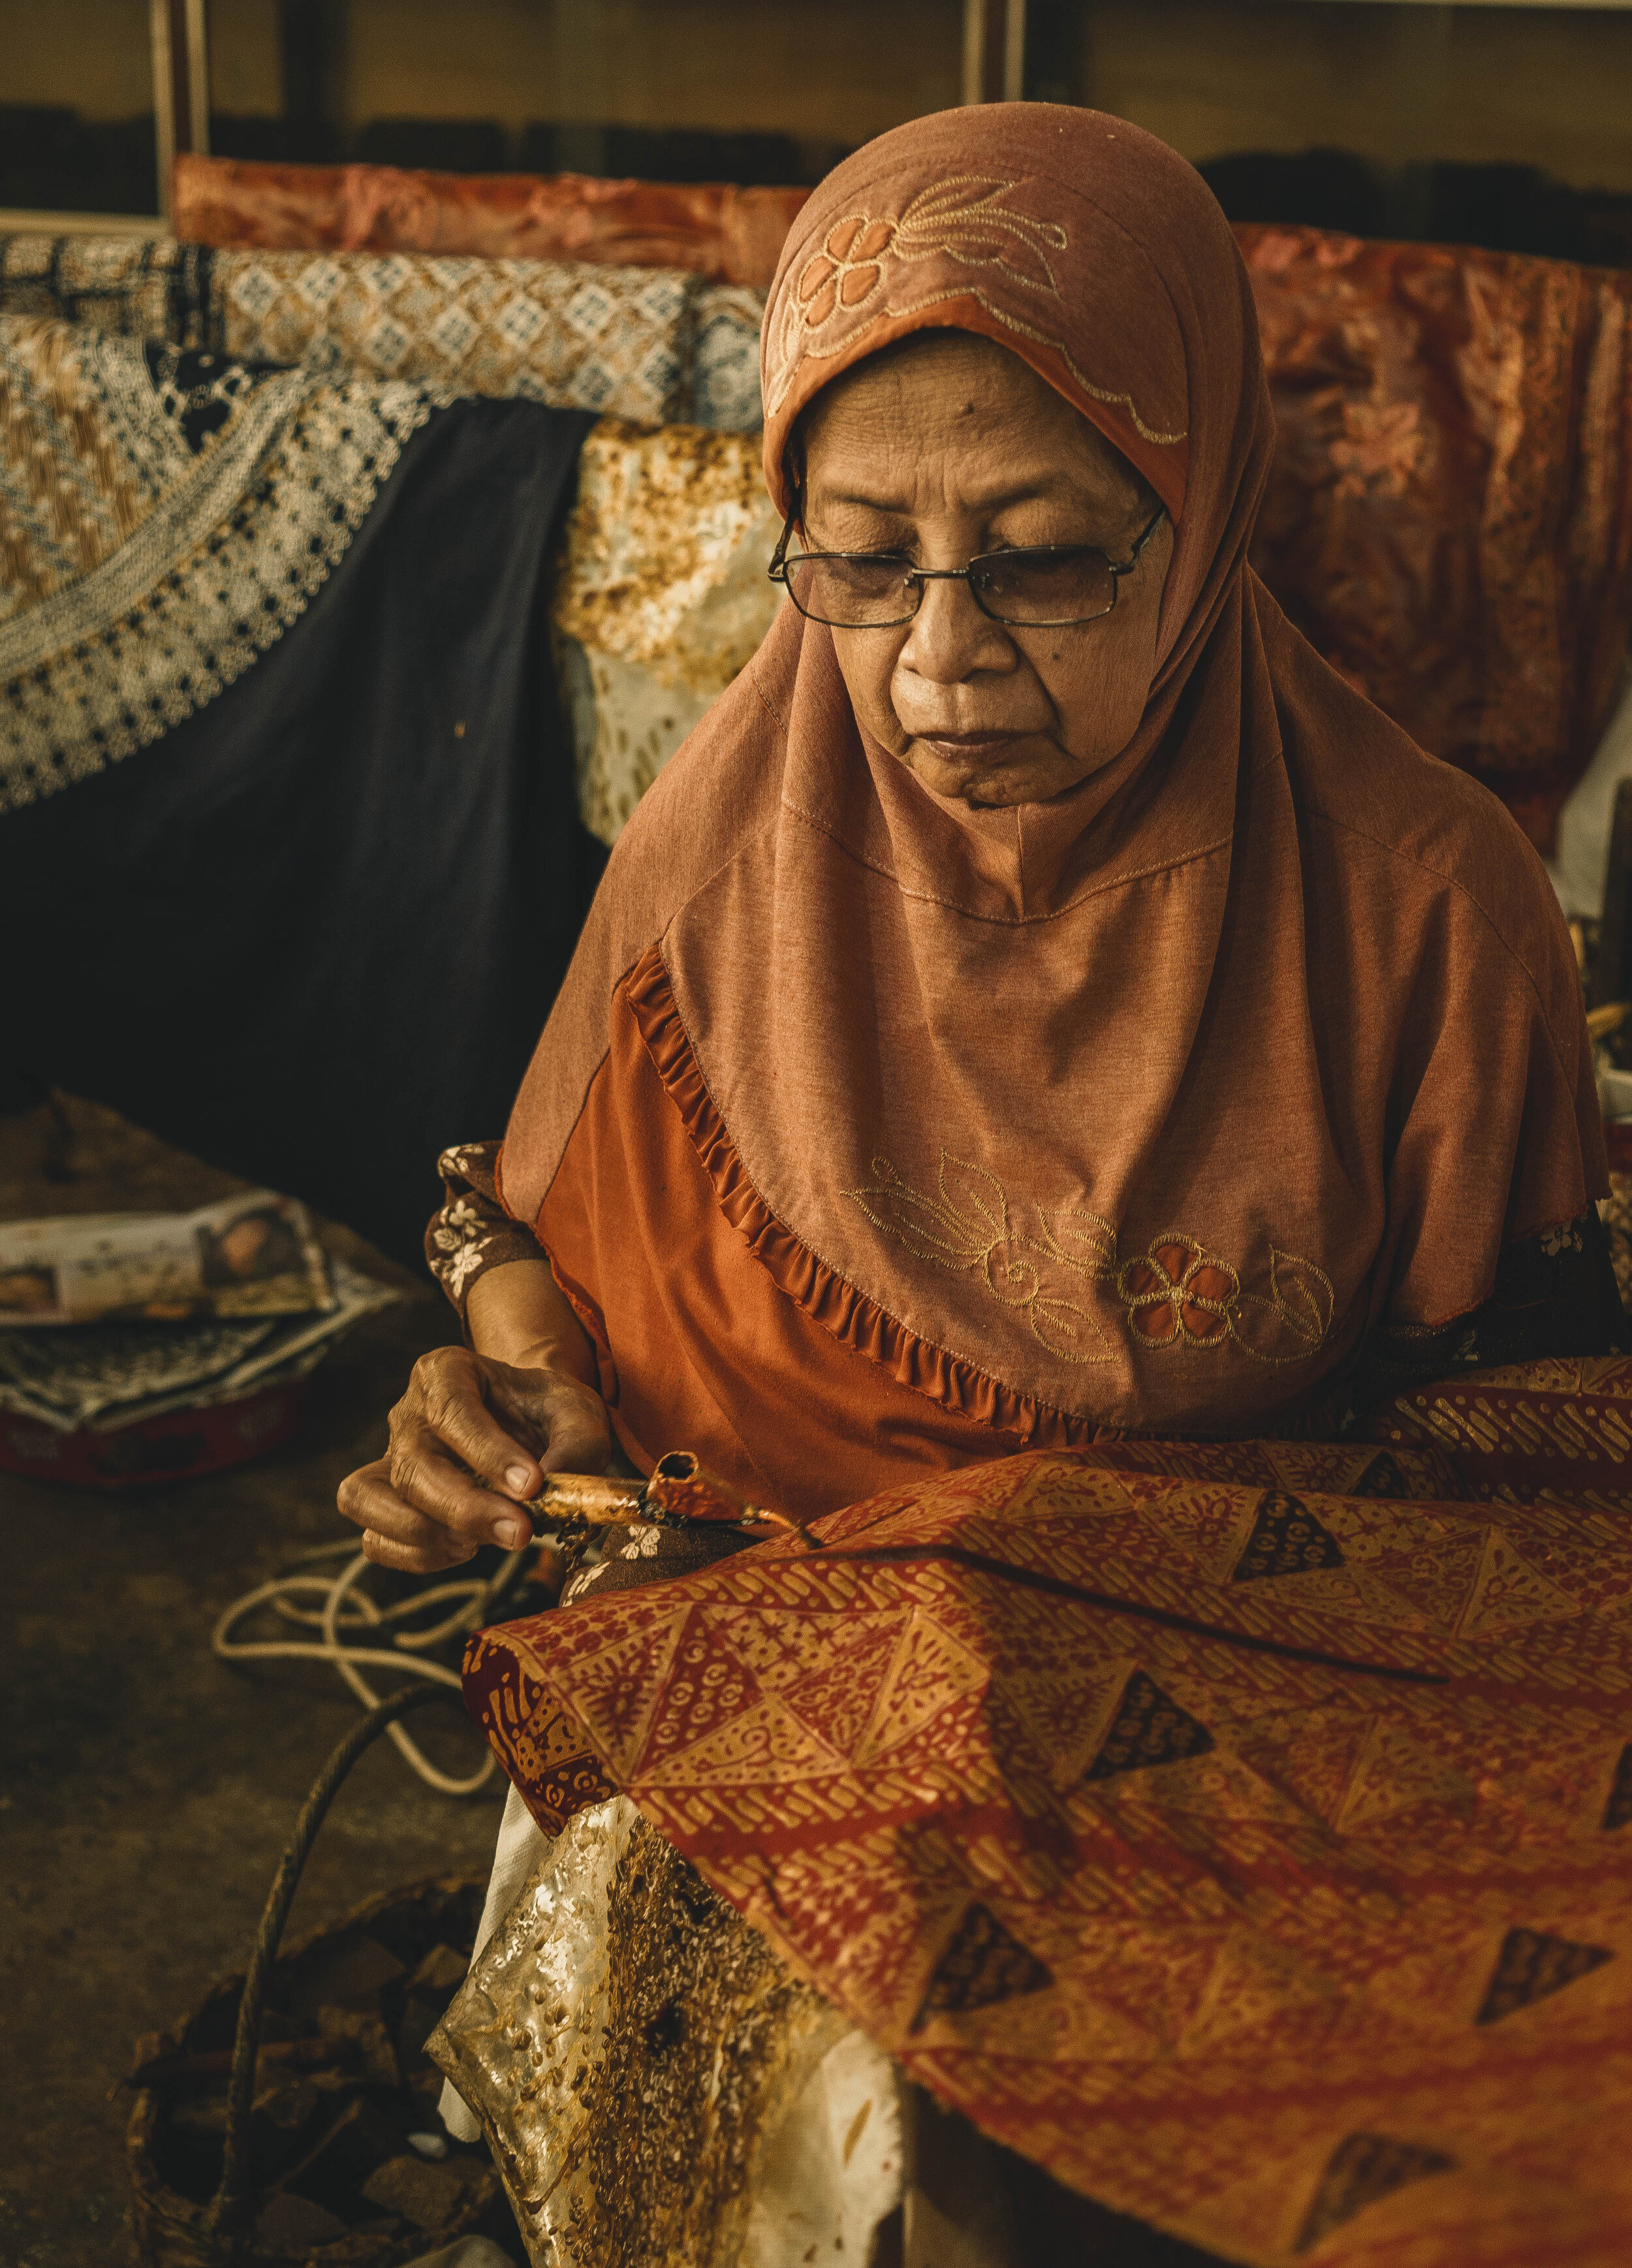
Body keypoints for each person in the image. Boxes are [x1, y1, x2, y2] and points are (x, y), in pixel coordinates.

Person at [339, 102, 1619, 1574]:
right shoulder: (723, 840)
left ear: (1200, 525)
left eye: (1043, 561)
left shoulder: (1428, 917)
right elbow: (525, 1238)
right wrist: (512, 1406)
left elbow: (1509, 1494)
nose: (937, 662)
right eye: (866, 559)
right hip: (723, 1657)